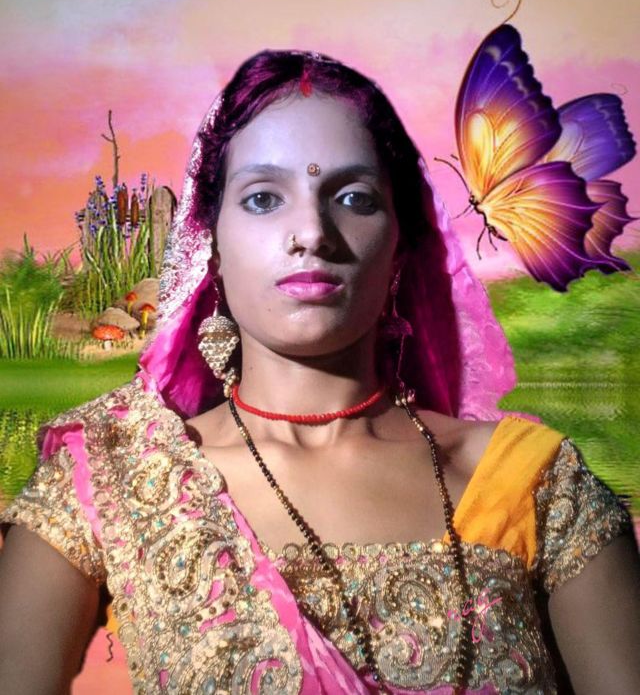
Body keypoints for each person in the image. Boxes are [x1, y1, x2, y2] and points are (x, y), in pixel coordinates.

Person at [1, 49, 639, 695]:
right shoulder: (116, 477)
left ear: (401, 246)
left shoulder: (531, 482)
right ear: (210, 246)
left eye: (354, 197)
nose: (311, 231)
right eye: (262, 198)